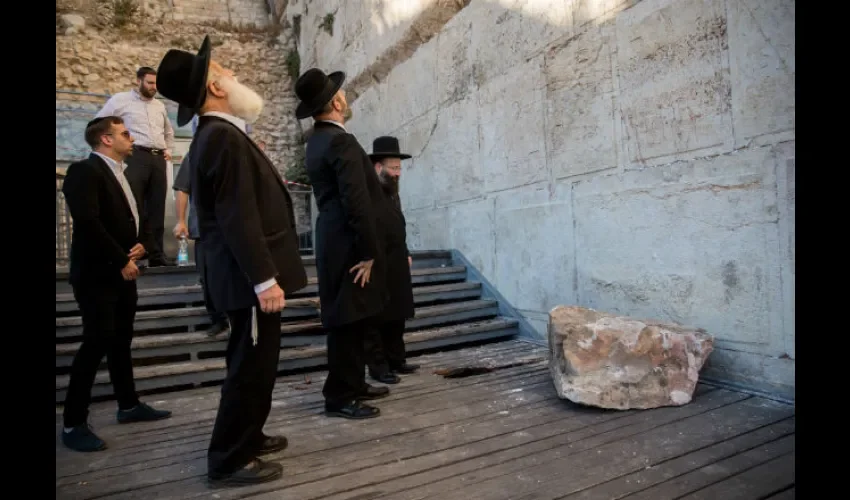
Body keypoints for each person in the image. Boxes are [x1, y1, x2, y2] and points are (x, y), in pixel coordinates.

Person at [156, 35, 308, 486]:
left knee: (255, 364)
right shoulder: (221, 137)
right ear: (216, 88)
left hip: (242, 278)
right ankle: (228, 459)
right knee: (249, 368)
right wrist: (264, 280)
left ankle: (250, 435)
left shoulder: (219, 134)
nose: (235, 75)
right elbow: (237, 216)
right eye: (226, 71)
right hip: (247, 281)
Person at [60, 116, 172, 452]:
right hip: (97, 275)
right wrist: (120, 260)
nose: (131, 138)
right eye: (124, 134)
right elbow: (88, 222)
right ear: (105, 139)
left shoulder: (122, 174)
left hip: (124, 269)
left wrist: (139, 245)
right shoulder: (85, 171)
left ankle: (128, 405)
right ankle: (72, 423)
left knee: (121, 340)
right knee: (95, 343)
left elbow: (129, 219)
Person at [296, 68, 390, 420]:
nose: (344, 97)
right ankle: (339, 396)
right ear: (335, 102)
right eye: (342, 93)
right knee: (348, 319)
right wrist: (367, 251)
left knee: (357, 315)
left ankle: (354, 382)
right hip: (349, 242)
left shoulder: (318, 140)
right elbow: (356, 199)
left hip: (335, 237)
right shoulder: (339, 141)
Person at [95, 66, 176, 266]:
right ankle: (133, 256)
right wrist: (113, 147)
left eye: (156, 84)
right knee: (134, 205)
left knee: (157, 206)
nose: (153, 87)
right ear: (138, 81)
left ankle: (156, 254)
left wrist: (169, 149)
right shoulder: (120, 100)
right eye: (150, 83)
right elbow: (98, 122)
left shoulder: (159, 106)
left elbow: (168, 131)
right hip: (134, 155)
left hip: (157, 157)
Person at [363, 136, 420, 384]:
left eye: (399, 168)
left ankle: (397, 359)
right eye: (393, 168)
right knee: (378, 317)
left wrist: (405, 251)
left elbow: (398, 226)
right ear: (379, 167)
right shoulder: (367, 193)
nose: (397, 173)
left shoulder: (393, 192)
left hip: (397, 261)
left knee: (397, 314)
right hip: (377, 262)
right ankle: (379, 366)